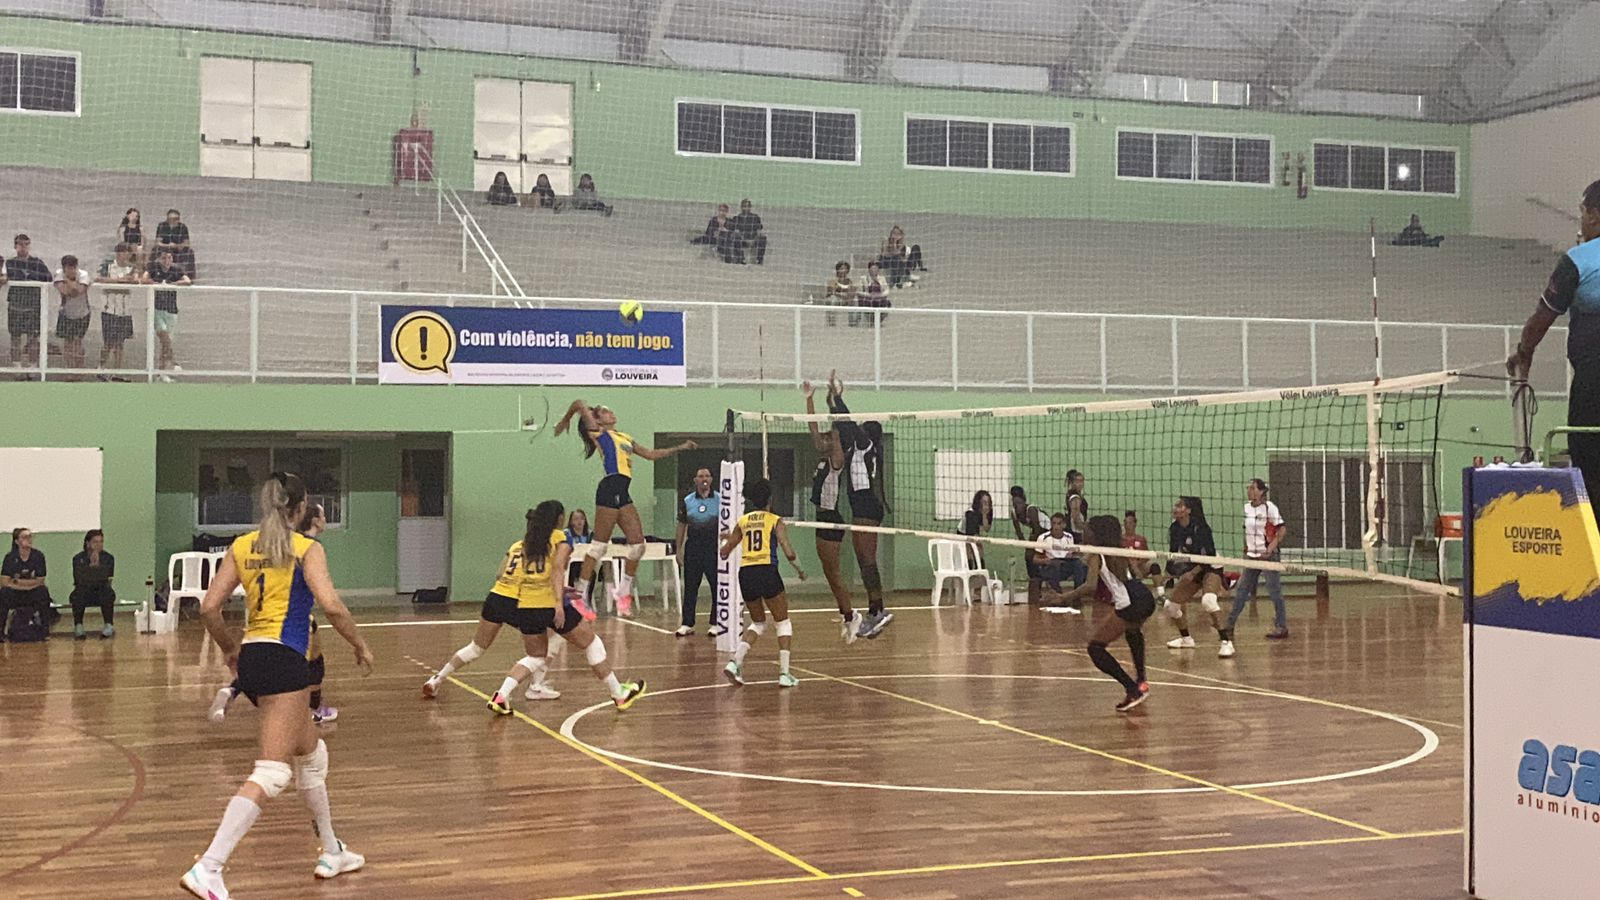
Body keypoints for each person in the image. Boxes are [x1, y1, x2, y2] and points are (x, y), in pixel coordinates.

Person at [182, 473, 374, 900]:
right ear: (300, 508)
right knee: (271, 772)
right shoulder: (307, 549)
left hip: (253, 657)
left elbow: (210, 608)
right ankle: (209, 868)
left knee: (311, 754)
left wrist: (230, 651)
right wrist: (360, 645)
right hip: (286, 661)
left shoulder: (242, 545)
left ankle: (333, 851)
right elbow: (332, 606)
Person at [482, 500, 648, 714]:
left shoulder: (526, 542)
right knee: (592, 642)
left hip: (526, 606)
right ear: (559, 518)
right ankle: (619, 694)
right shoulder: (560, 537)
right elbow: (558, 568)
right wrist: (559, 604)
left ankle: (501, 695)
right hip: (549, 605)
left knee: (535, 657)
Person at [1508, 178, 1600, 524]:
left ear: (1594, 215)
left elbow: (1541, 319)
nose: (1581, 219)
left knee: (1589, 467)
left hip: (1593, 386)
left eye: (1583, 211)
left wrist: (1523, 352)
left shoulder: (1578, 260)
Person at [554, 399, 696, 617]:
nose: (611, 413)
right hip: (610, 488)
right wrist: (566, 420)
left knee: (638, 546)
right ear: (598, 419)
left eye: (610, 411)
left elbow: (650, 454)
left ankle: (623, 592)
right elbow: (579, 404)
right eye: (605, 412)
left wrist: (679, 447)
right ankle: (580, 595)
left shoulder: (625, 437)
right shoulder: (599, 432)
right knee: (598, 547)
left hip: (624, 491)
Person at [1059, 515, 1157, 712]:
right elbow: (1137, 574)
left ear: (1096, 534)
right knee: (1132, 631)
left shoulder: (1098, 554)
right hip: (1145, 596)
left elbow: (1090, 586)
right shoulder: (1118, 549)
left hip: (1131, 602)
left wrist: (1064, 598)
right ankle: (1141, 681)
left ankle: (1132, 689)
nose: (1084, 531)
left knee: (1095, 648)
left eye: (1087, 529)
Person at [719, 478, 806, 688]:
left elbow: (724, 552)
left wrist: (727, 538)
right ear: (770, 499)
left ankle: (734, 662)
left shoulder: (743, 520)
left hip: (746, 573)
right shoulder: (775, 520)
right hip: (767, 570)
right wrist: (800, 570)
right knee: (783, 621)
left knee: (758, 622)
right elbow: (788, 551)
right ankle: (784, 673)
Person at [827, 373, 893, 638]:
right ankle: (874, 610)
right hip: (862, 505)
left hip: (866, 505)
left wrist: (838, 398)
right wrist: (831, 401)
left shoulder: (865, 446)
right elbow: (843, 425)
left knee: (867, 559)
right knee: (863, 559)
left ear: (868, 434)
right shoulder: (858, 451)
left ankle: (878, 610)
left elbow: (848, 423)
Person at [804, 380, 858, 642]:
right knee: (830, 574)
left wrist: (835, 401)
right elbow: (813, 431)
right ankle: (847, 614)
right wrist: (810, 398)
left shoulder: (837, 461)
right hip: (821, 518)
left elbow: (833, 433)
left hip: (830, 518)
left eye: (828, 437)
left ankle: (851, 617)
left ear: (834, 439)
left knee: (833, 573)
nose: (821, 439)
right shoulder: (824, 458)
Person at [1162, 496, 1237, 658]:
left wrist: (1192, 573)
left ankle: (1226, 642)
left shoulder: (1201, 528)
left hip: (1211, 566)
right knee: (1171, 606)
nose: (1175, 508)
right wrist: (1166, 576)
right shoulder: (1175, 528)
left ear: (1188, 510)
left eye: (1179, 505)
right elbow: (1173, 555)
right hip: (1193, 566)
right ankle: (1186, 639)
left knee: (1208, 601)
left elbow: (1208, 556)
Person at [1228, 479, 1289, 640]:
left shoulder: (1270, 507)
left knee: (1274, 592)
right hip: (1251, 557)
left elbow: (1281, 530)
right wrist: (1245, 548)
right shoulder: (1247, 507)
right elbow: (1247, 530)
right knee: (1242, 591)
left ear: (1261, 491)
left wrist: (1270, 549)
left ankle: (1281, 627)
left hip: (1268, 557)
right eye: (1248, 488)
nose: (1249, 490)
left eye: (1253, 488)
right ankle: (1229, 625)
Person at [674, 467, 721, 637]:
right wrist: (678, 549)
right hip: (693, 548)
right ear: (696, 480)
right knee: (691, 587)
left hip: (713, 549)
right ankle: (687, 623)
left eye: (707, 476)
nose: (704, 479)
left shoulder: (720, 500)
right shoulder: (687, 501)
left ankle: (716, 622)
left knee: (716, 586)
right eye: (701, 476)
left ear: (711, 479)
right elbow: (681, 526)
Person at [6, 234, 51, 373]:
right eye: (20, 244)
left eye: (26, 244)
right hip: (15, 306)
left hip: (32, 306)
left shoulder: (37, 263)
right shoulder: (9, 263)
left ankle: (32, 366)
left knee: (32, 337)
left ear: (29, 246)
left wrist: (31, 277)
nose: (23, 247)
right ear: (15, 246)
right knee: (15, 337)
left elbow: (48, 278)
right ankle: (16, 366)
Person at [144, 248, 191, 380]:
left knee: (165, 344)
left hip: (171, 310)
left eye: (169, 258)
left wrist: (172, 284)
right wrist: (158, 284)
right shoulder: (153, 268)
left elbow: (187, 281)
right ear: (159, 259)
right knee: (164, 338)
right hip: (157, 309)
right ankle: (174, 361)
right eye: (164, 258)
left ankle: (162, 373)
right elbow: (144, 280)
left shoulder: (176, 270)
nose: (167, 261)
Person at [96, 243, 140, 375]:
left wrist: (118, 282)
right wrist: (119, 281)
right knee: (108, 342)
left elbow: (133, 281)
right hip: (109, 309)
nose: (126, 255)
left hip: (124, 311)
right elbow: (99, 279)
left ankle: (117, 371)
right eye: (123, 252)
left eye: (128, 253)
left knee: (120, 343)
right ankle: (101, 368)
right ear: (118, 253)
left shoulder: (132, 268)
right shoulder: (107, 265)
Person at [0, 527, 51, 641]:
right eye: (24, 537)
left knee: (43, 591)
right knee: (4, 593)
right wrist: (24, 584)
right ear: (17, 541)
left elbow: (40, 580)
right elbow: (4, 581)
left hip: (32, 592)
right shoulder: (10, 557)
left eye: (30, 536)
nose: (29, 539)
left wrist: (17, 581)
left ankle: (45, 631)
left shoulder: (38, 556)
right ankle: (1, 632)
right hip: (15, 593)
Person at [70, 529, 116, 639]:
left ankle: (108, 625)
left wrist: (98, 567)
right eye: (95, 542)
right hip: (84, 590)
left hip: (101, 590)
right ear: (88, 543)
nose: (99, 545)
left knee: (108, 593)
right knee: (77, 594)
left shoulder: (108, 558)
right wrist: (91, 566)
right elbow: (78, 579)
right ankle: (78, 625)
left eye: (101, 542)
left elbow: (109, 579)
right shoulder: (78, 558)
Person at [1009, 485, 1051, 604]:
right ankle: (1034, 582)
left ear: (1024, 501)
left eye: (1019, 503)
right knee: (1028, 557)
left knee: (1035, 556)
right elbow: (1019, 533)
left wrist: (1031, 544)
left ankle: (1039, 584)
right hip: (1037, 534)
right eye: (1014, 503)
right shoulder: (1014, 513)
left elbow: (1038, 531)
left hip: (1047, 532)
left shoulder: (1031, 510)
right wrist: (1025, 543)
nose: (1017, 506)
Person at [54, 254, 92, 377]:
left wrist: (67, 281)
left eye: (73, 267)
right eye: (68, 268)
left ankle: (79, 371)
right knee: (68, 343)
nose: (71, 270)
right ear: (64, 268)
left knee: (78, 343)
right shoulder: (58, 274)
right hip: (66, 313)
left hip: (83, 313)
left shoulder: (84, 275)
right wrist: (71, 284)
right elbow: (65, 291)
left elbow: (78, 292)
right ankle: (69, 371)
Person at [1033, 513, 1081, 611]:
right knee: (1053, 566)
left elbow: (1072, 554)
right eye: (1053, 523)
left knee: (1079, 564)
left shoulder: (1069, 537)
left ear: (1064, 525)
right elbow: (1035, 559)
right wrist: (1046, 561)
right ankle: (1060, 597)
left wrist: (1072, 556)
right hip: (1050, 565)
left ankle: (1076, 596)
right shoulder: (1043, 538)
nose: (1056, 527)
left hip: (1065, 565)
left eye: (1059, 524)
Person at [155, 208, 195, 277]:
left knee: (190, 252)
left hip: (178, 249)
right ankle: (155, 273)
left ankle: (189, 275)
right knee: (156, 250)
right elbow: (158, 242)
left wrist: (176, 245)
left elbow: (187, 243)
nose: (173, 221)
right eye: (171, 219)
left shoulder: (182, 227)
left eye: (176, 218)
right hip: (165, 248)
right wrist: (168, 246)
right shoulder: (162, 226)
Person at [728, 199, 767, 265]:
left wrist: (753, 240)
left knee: (763, 238)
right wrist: (746, 240)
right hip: (742, 240)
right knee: (735, 238)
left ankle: (759, 260)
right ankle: (740, 259)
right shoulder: (737, 218)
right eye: (744, 206)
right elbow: (737, 232)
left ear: (750, 207)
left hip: (753, 240)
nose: (746, 208)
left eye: (748, 206)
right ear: (741, 207)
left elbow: (758, 231)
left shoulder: (755, 217)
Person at [565, 508, 593, 593]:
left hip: (584, 563)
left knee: (592, 573)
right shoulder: (566, 533)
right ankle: (571, 595)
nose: (579, 521)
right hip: (570, 564)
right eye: (576, 519)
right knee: (572, 570)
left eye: (582, 518)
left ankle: (586, 596)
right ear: (571, 522)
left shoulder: (589, 534)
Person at [857, 260, 890, 326]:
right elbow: (858, 291)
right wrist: (869, 295)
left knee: (887, 303)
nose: (874, 270)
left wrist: (880, 295)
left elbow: (887, 290)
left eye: (875, 268)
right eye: (872, 268)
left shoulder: (882, 279)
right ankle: (870, 320)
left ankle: (879, 320)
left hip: (879, 298)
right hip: (867, 299)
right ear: (869, 269)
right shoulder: (864, 278)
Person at [824, 261, 856, 327]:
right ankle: (831, 323)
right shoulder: (832, 281)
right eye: (841, 268)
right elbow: (832, 292)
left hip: (846, 299)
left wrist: (842, 294)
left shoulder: (850, 281)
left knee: (854, 301)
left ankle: (852, 323)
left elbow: (851, 293)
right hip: (835, 299)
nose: (843, 271)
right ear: (837, 270)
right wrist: (843, 294)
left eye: (845, 269)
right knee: (833, 300)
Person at [1064, 469, 1088, 542]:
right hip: (1076, 532)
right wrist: (1085, 528)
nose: (1080, 484)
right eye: (1077, 481)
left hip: (1073, 530)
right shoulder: (1075, 497)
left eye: (1081, 481)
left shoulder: (1071, 494)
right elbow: (1075, 517)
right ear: (1072, 483)